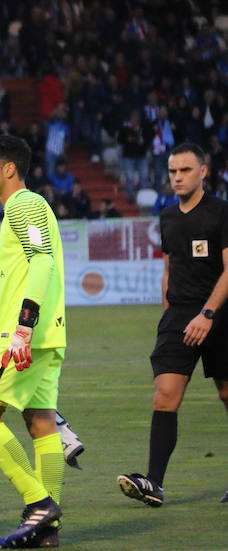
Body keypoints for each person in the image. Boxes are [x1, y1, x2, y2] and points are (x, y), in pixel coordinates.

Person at [0, 134, 67, 549]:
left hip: (24, 335)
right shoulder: (24, 209)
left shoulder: (25, 204)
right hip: (49, 334)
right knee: (40, 422)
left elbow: (41, 260)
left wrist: (23, 327)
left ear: (9, 169)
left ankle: (38, 502)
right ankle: (48, 529)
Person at [117, 143, 228, 507]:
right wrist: (169, 312)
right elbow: (168, 269)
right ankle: (154, 483)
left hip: (220, 313)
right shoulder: (167, 217)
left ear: (203, 172)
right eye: (172, 172)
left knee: (227, 395)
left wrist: (208, 314)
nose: (177, 177)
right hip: (180, 316)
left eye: (184, 170)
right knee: (165, 395)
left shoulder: (221, 212)